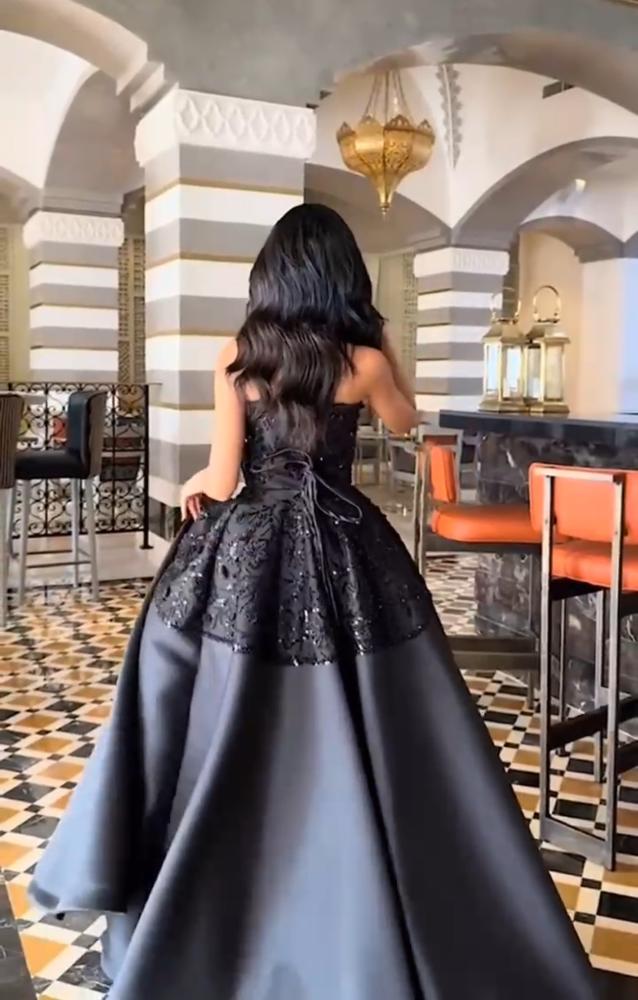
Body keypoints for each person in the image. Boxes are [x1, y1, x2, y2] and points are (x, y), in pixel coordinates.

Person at [30, 204, 597, 1000]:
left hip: (251, 545)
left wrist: (194, 489)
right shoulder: (360, 361)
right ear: (344, 279)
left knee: (224, 699)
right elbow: (408, 420)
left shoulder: (239, 355)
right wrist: (382, 338)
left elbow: (223, 475)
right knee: (373, 700)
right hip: (345, 544)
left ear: (270, 277)